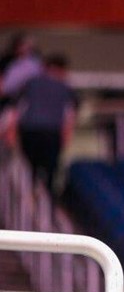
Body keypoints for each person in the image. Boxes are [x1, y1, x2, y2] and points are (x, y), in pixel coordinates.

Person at [11, 53, 77, 195]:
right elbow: (70, 115)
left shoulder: (30, 84)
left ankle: (30, 195)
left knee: (30, 169)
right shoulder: (65, 88)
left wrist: (14, 132)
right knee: (49, 172)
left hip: (29, 131)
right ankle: (45, 197)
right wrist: (66, 135)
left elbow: (17, 110)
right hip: (51, 133)